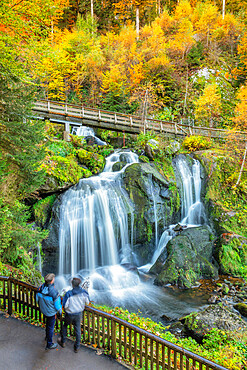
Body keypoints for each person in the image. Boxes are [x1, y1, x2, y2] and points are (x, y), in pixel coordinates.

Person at [58, 277, 89, 353]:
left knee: (65, 326)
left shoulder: (68, 294)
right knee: (78, 330)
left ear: (72, 285)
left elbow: (65, 305)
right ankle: (77, 347)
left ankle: (63, 341)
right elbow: (87, 302)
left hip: (70, 314)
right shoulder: (84, 293)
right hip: (78, 313)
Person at [36, 273, 62, 350]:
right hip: (51, 313)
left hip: (43, 310)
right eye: (54, 278)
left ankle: (47, 337)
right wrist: (60, 313)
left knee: (47, 324)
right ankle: (49, 344)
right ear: (51, 281)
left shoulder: (40, 288)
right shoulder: (54, 292)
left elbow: (37, 299)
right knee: (50, 327)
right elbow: (57, 307)